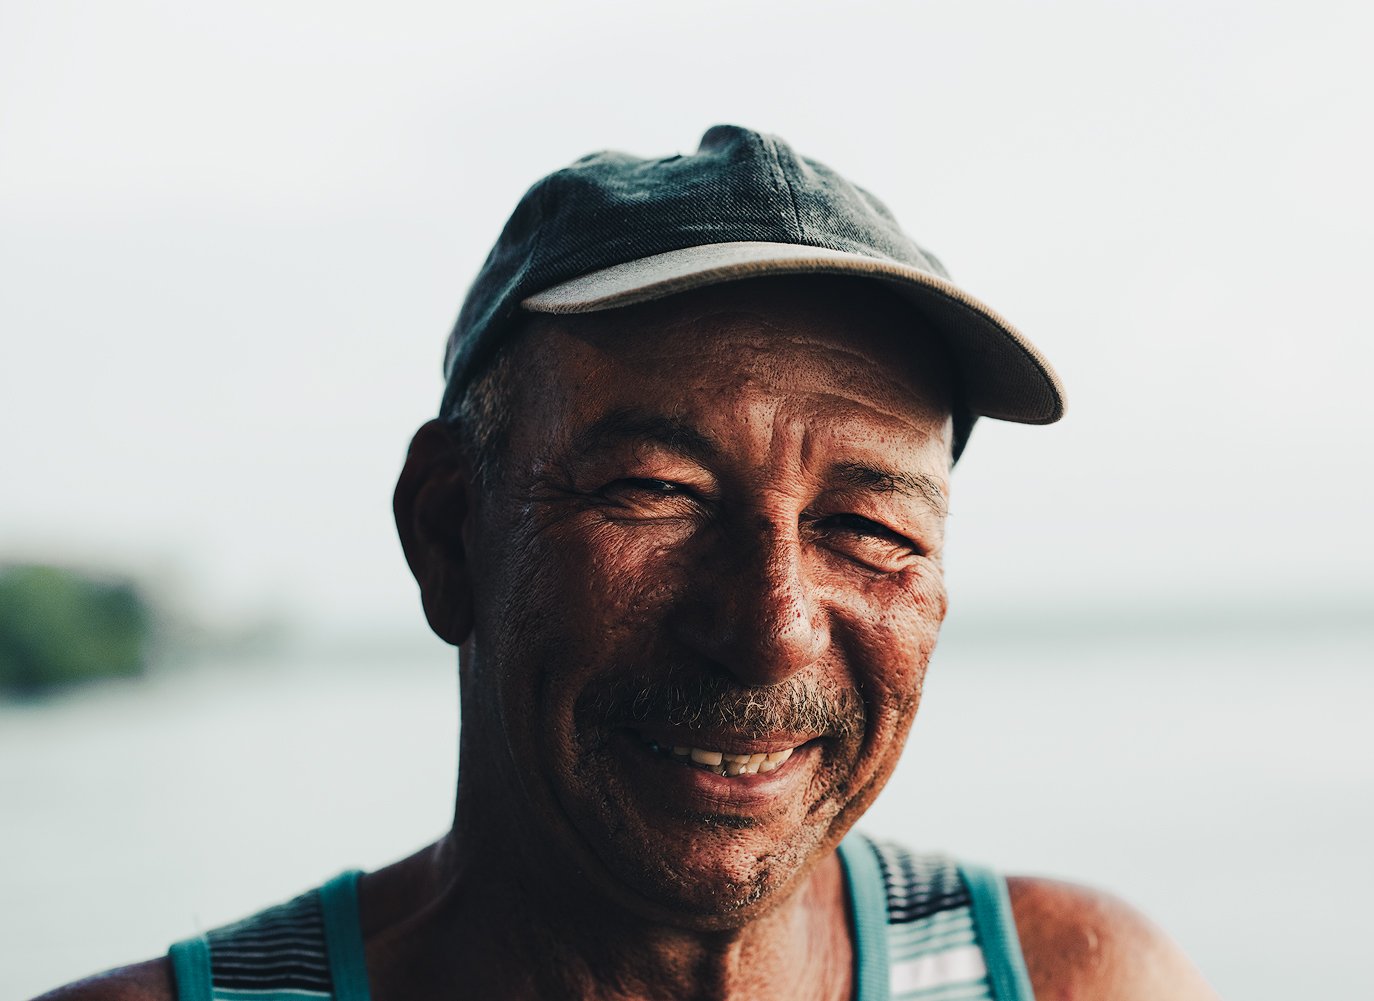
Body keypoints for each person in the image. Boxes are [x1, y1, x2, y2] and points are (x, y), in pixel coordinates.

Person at [40, 125, 1216, 1001]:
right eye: (657, 492)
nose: (769, 628)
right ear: (450, 531)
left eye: (868, 528)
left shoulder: (1084, 977)